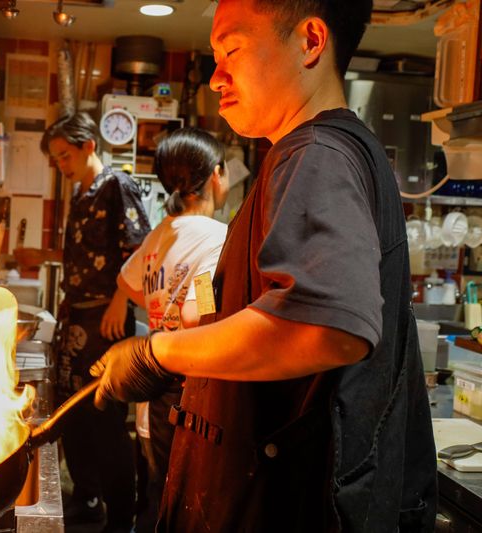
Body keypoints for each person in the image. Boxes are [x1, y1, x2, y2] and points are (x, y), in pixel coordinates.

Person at [92, 1, 437, 531]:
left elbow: (324, 327)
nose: (216, 77)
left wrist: (156, 353)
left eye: (232, 50)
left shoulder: (317, 153)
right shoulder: (310, 155)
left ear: (310, 41)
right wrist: (203, 330)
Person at [99, 127, 229, 533]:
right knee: (178, 512)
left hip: (150, 399)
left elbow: (128, 283)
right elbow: (196, 314)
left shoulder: (160, 233)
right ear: (216, 175)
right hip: (186, 401)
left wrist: (162, 303)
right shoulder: (217, 238)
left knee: (154, 500)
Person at [41, 112, 150, 532]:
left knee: (105, 417)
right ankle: (86, 498)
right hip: (78, 317)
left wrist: (121, 300)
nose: (61, 165)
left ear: (89, 145)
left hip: (106, 318)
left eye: (65, 155)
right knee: (75, 414)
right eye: (56, 159)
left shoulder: (117, 185)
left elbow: (140, 250)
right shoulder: (81, 192)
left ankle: (121, 518)